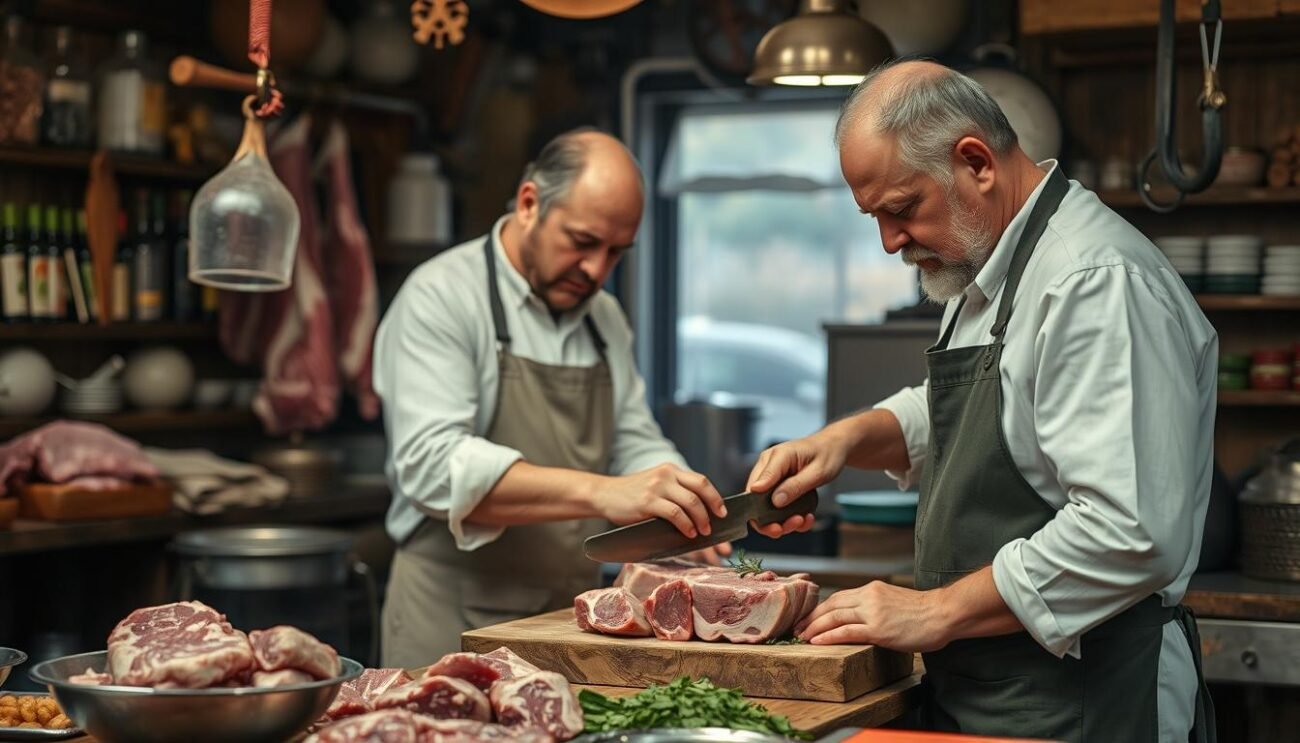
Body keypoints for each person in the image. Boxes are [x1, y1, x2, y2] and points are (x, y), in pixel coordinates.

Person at [746, 60, 1218, 743]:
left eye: (902, 209)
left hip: (1087, 702)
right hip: (991, 692)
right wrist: (842, 442)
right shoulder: (985, 265)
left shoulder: (1095, 284)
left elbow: (1131, 532)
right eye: (874, 216)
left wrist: (934, 610)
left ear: (976, 162)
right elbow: (975, 407)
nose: (889, 242)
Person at [373, 129, 760, 665]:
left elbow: (631, 438)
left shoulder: (603, 318)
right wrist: (605, 493)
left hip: (570, 621)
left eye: (616, 253)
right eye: (582, 242)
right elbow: (432, 468)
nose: (597, 272)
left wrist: (677, 499)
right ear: (530, 203)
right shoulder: (441, 297)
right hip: (453, 621)